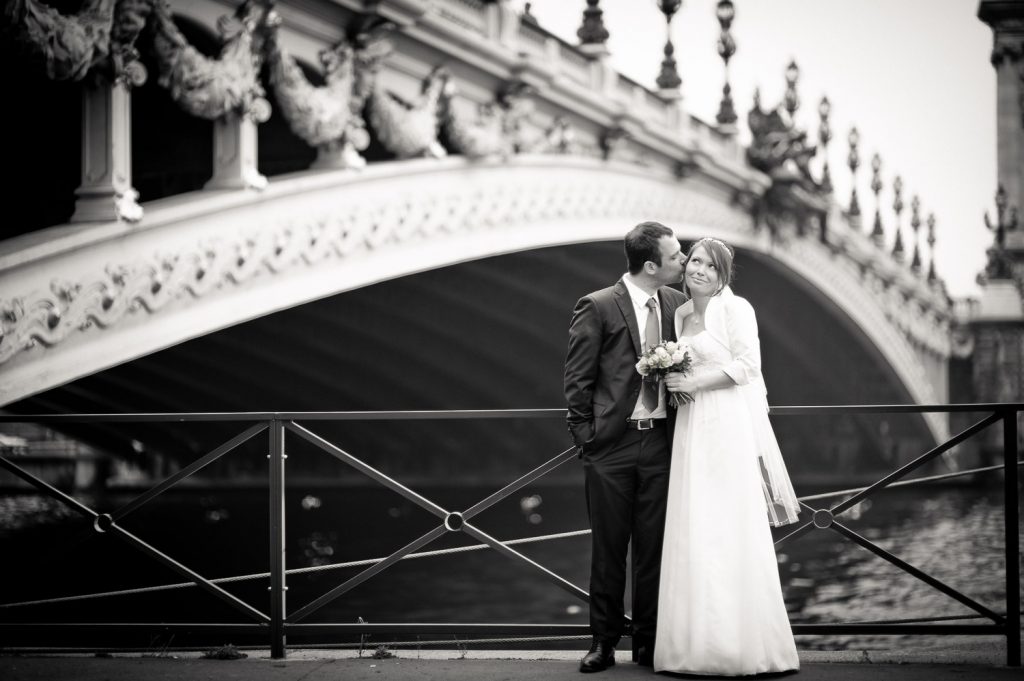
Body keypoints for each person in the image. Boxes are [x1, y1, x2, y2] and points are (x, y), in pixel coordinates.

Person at [657, 237, 801, 675]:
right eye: (694, 261)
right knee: (693, 522)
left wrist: (695, 385)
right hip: (690, 427)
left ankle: (740, 646)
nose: (699, 270)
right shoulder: (680, 313)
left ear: (723, 275)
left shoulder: (736, 309)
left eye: (710, 266)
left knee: (726, 523)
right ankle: (692, 647)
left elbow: (748, 367)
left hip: (724, 424)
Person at [563, 221, 687, 673]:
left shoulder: (678, 304)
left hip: (660, 444)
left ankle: (649, 644)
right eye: (676, 256)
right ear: (651, 264)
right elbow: (577, 380)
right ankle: (603, 642)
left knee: (654, 550)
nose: (685, 261)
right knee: (609, 549)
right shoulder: (597, 306)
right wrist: (587, 439)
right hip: (610, 449)